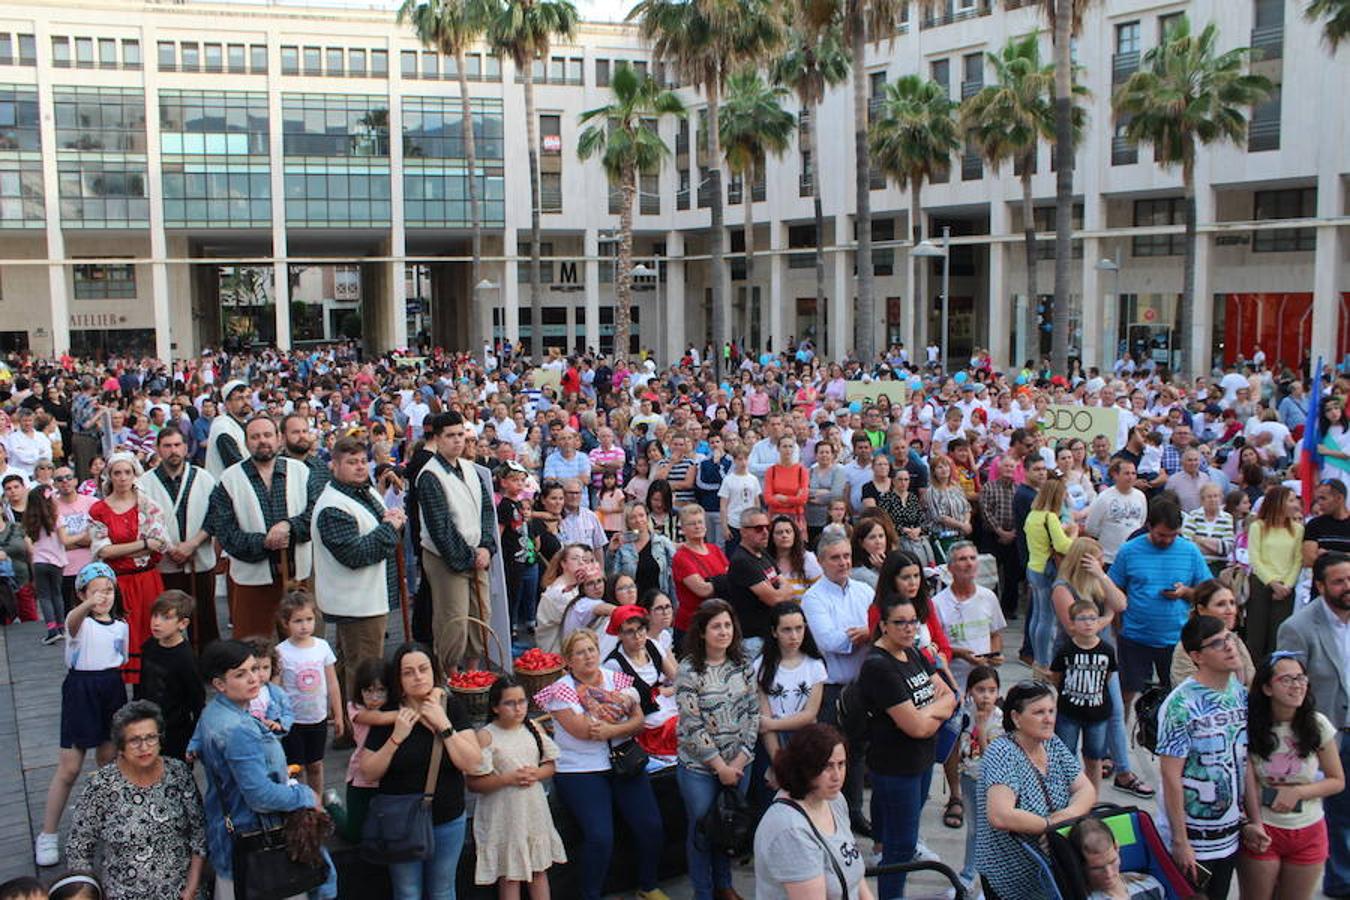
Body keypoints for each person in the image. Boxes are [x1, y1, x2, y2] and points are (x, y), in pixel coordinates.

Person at [533, 629, 667, 900]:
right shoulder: (561, 690)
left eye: (591, 650)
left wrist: (611, 729)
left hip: (623, 762)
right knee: (600, 836)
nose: (588, 656)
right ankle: (590, 895)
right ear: (568, 660)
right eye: (580, 652)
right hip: (580, 770)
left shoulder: (614, 678)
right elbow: (584, 731)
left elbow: (639, 720)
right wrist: (621, 722)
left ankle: (648, 885)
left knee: (651, 825)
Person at [195, 638, 335, 900]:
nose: (253, 678)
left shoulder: (213, 714)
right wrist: (305, 796)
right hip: (257, 844)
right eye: (241, 674)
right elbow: (260, 796)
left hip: (233, 840)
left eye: (254, 669)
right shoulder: (238, 730)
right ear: (219, 684)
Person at [359, 642, 483, 900]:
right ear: (399, 679)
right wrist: (396, 738)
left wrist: (444, 725)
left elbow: (472, 763)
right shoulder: (389, 714)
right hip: (401, 820)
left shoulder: (450, 707)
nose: (417, 677)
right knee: (407, 892)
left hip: (447, 816)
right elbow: (368, 771)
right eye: (408, 672)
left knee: (442, 889)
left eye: (423, 669)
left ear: (433, 672)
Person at [860, 592, 958, 898]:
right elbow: (915, 727)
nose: (908, 628)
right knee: (899, 846)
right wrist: (932, 714)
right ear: (883, 626)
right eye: (899, 623)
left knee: (907, 838)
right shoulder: (879, 665)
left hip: (922, 760)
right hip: (896, 767)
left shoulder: (913, 653)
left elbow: (950, 695)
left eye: (913, 621)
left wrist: (927, 714)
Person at [34, 562, 128, 868]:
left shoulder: (121, 626)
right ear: (82, 594)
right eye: (96, 590)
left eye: (109, 590)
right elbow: (73, 620)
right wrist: (87, 603)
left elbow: (121, 658)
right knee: (70, 766)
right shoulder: (79, 623)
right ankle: (48, 833)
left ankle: (109, 821)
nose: (103, 596)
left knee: (108, 760)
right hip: (80, 689)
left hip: (111, 687)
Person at [65, 699, 206, 900]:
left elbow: (199, 834)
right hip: (125, 894)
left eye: (151, 737)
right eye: (134, 740)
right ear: (120, 746)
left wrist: (191, 888)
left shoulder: (178, 773)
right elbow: (78, 848)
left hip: (182, 892)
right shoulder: (102, 785)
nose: (144, 746)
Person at [311, 435, 404, 735]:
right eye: (351, 462)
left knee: (351, 662)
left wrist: (389, 522)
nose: (359, 467)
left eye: (363, 461)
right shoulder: (333, 506)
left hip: (366, 596)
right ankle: (360, 729)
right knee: (363, 668)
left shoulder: (361, 492)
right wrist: (390, 527)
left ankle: (347, 724)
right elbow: (357, 554)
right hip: (357, 601)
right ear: (334, 465)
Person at [976, 680, 1097, 900]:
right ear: (1015, 717)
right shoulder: (1002, 752)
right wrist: (1049, 827)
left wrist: (1064, 818)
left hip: (1054, 870)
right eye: (1039, 712)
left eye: (1051, 711)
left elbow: (1086, 789)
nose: (1049, 719)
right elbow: (1001, 815)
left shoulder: (1051, 743)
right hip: (1011, 877)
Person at [1239, 653, 1346, 900]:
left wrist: (1298, 792)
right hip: (1264, 828)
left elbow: (1337, 780)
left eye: (1300, 678)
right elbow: (1249, 782)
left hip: (1309, 828)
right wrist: (1252, 823)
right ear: (1267, 687)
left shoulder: (1317, 724)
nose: (1296, 685)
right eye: (1286, 679)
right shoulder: (1250, 726)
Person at [1156, 614, 1249, 898]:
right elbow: (1171, 777)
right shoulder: (1181, 704)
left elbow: (1246, 762)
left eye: (1229, 638)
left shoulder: (1239, 692)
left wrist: (1252, 820)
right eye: (1218, 643)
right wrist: (1181, 841)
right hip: (1195, 836)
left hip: (1231, 832)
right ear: (1197, 656)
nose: (1230, 646)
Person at [207, 415, 321, 640]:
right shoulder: (230, 479)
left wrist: (289, 526)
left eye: (268, 435)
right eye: (255, 437)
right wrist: (265, 541)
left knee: (301, 647)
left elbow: (315, 515)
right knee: (254, 647)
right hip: (253, 581)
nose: (262, 441)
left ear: (279, 439)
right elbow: (226, 532)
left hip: (297, 577)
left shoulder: (300, 471)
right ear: (246, 442)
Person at [1276, 552, 1350, 898]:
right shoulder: (1297, 628)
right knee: (1336, 813)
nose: (1347, 587)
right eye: (1338, 581)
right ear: (1320, 586)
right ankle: (1340, 882)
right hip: (1327, 733)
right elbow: (1290, 688)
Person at [675, 599, 759, 900]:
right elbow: (692, 723)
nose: (723, 632)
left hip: (740, 761)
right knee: (702, 829)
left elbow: (753, 712)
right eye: (716, 627)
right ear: (702, 632)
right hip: (699, 766)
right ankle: (703, 890)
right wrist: (719, 767)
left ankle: (725, 884)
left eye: (727, 625)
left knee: (728, 824)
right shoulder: (688, 670)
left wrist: (739, 759)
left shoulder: (742, 664)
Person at [800, 527, 873, 834]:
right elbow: (830, 640)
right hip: (832, 688)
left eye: (846, 556)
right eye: (835, 558)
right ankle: (830, 819)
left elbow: (880, 630)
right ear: (821, 561)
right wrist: (866, 634)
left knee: (856, 755)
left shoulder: (865, 591)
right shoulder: (813, 598)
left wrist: (867, 634)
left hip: (863, 685)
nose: (843, 563)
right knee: (832, 757)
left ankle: (854, 811)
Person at [467, 677, 566, 900]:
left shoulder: (533, 727)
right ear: (495, 707)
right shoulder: (486, 736)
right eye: (510, 703)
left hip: (532, 810)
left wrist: (537, 774)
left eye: (521, 702)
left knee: (538, 869)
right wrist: (506, 779)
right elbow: (473, 783)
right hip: (503, 814)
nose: (518, 708)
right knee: (510, 874)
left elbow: (550, 764)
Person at [1108, 498, 1212, 710]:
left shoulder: (1190, 551)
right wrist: (1115, 625)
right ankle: (1122, 740)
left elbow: (1208, 593)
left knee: (1178, 696)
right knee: (1126, 694)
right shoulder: (1129, 550)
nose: (1168, 540)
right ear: (1149, 527)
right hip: (1134, 637)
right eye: (1162, 535)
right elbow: (1112, 587)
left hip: (1176, 639)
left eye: (1173, 535)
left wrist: (1185, 593)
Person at [414, 412, 497, 674]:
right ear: (437, 439)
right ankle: (449, 676)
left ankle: (472, 673)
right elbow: (441, 528)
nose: (457, 441)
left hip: (476, 553)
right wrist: (468, 556)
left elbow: (486, 510)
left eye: (461, 434)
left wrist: (485, 546)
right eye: (450, 436)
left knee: (480, 616)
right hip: (445, 558)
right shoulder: (430, 475)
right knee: (454, 619)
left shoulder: (470, 469)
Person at [752, 723, 873, 900]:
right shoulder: (790, 830)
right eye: (827, 767)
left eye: (841, 764)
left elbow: (852, 868)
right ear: (804, 768)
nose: (837, 776)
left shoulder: (834, 800)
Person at [137, 426, 219, 651]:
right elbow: (143, 521)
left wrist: (193, 543)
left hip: (199, 559)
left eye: (177, 445)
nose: (173, 451)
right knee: (168, 619)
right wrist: (170, 548)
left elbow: (215, 515)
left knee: (204, 618)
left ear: (185, 448)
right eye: (167, 446)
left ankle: (207, 667)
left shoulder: (203, 478)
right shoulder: (145, 483)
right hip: (165, 563)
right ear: (158, 449)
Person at [89, 452, 168, 684]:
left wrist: (120, 548)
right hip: (118, 582)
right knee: (121, 633)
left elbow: (159, 543)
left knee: (152, 630)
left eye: (127, 472)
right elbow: (102, 551)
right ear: (109, 476)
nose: (122, 477)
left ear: (135, 474)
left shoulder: (148, 505)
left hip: (147, 581)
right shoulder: (99, 510)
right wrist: (142, 544)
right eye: (117, 473)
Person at [275, 590, 342, 796]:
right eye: (298, 621)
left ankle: (317, 803)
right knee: (296, 767)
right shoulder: (281, 651)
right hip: (293, 721)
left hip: (318, 718)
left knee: (316, 764)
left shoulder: (322, 647)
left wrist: (338, 714)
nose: (304, 625)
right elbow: (276, 687)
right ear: (286, 623)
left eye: (309, 619)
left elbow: (332, 682)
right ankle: (298, 803)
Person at [324, 658, 394, 843]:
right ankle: (332, 805)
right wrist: (409, 712)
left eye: (381, 690)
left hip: (387, 774)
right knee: (354, 833)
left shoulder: (393, 707)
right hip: (360, 778)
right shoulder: (355, 708)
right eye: (368, 691)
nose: (374, 697)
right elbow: (377, 719)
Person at [1049, 600, 1117, 787]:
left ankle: (1092, 797)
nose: (1088, 623)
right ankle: (1070, 794)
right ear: (1071, 623)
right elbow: (1056, 676)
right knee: (1066, 756)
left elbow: (1108, 676)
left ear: (1098, 622)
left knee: (1094, 757)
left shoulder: (1107, 650)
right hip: (1068, 712)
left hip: (1097, 712)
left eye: (1092, 618)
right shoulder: (1066, 650)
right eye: (1082, 619)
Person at [133, 590, 205, 760]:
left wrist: (196, 739)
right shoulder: (149, 646)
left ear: (182, 623)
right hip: (147, 725)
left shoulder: (186, 658)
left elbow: (197, 701)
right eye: (155, 616)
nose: (156, 623)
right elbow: (141, 685)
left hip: (175, 731)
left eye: (166, 618)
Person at [603, 604, 679, 755]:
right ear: (619, 634)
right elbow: (621, 708)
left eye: (640, 629)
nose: (637, 636)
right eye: (630, 632)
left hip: (668, 706)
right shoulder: (615, 665)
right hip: (648, 721)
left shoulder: (652, 646)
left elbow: (676, 678)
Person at [724, 508, 794, 659]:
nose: (765, 532)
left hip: (768, 635)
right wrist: (778, 591)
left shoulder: (763, 554)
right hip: (752, 640)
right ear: (743, 531)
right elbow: (774, 599)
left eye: (767, 527)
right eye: (758, 528)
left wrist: (777, 592)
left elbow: (789, 589)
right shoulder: (742, 561)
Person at [956, 665, 1002, 894]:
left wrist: (982, 727)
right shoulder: (965, 712)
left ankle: (987, 881)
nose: (986, 696)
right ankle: (967, 875)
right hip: (969, 777)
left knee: (989, 831)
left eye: (991, 690)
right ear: (969, 692)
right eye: (980, 689)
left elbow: (992, 756)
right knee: (974, 829)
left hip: (991, 783)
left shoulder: (1000, 719)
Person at [1246, 484, 1305, 661]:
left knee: (1278, 637)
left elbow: (1297, 560)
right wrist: (1272, 582)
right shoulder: (1258, 527)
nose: (1295, 505)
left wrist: (1287, 585)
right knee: (1256, 635)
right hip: (1261, 584)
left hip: (1286, 588)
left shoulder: (1298, 529)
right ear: (1279, 502)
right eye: (1291, 500)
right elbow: (1255, 559)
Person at [1024, 475, 1077, 669]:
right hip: (1047, 570)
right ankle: (1044, 660)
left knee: (1037, 616)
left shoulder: (1033, 515)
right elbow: (1063, 546)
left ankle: (1038, 658)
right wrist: (1073, 534)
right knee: (1047, 618)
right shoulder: (1050, 517)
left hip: (1034, 566)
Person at [1170, 579, 1255, 687]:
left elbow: (1252, 682)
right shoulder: (1187, 648)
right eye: (1221, 604)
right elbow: (1191, 692)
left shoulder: (1235, 640)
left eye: (1232, 603)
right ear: (1201, 609)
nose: (1230, 610)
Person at [671, 504, 729, 646]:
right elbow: (703, 590)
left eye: (700, 522)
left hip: (717, 621)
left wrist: (712, 581)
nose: (697, 526)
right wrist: (722, 581)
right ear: (683, 529)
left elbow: (731, 578)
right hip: (692, 626)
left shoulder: (714, 549)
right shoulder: (681, 557)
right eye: (692, 523)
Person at [1069, 817, 1165, 900]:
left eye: (1112, 861)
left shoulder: (1149, 885)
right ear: (1079, 864)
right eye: (1097, 868)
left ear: (1116, 847)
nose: (1109, 874)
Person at [23, 484, 70, 644]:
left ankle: (51, 629)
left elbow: (29, 542)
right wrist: (84, 536)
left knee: (44, 596)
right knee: (57, 594)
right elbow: (64, 540)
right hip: (57, 561)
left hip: (39, 562)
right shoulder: (57, 516)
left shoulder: (29, 519)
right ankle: (61, 627)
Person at [606, 501, 677, 600]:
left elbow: (674, 575)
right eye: (632, 517)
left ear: (647, 518)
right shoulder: (622, 548)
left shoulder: (663, 543)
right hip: (633, 603)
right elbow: (612, 578)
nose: (638, 520)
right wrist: (611, 552)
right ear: (628, 522)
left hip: (659, 601)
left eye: (641, 515)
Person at [1085, 459, 1147, 563]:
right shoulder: (1104, 498)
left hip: (1133, 558)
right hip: (1109, 559)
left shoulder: (1140, 496)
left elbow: (1141, 522)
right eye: (1126, 473)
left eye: (1133, 473)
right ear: (1115, 475)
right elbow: (1091, 527)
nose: (1131, 477)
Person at [1182, 482, 1236, 575]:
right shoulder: (1193, 515)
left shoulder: (1227, 518)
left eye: (1216, 496)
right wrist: (1215, 547)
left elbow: (1227, 548)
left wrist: (1201, 540)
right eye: (1209, 497)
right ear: (1202, 500)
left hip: (1219, 565)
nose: (1213, 500)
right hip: (1196, 563)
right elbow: (1187, 544)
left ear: (1221, 498)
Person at [769, 515, 821, 602]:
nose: (784, 535)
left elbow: (820, 589)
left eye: (788, 531)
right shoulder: (765, 560)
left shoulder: (808, 558)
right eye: (779, 532)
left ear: (795, 535)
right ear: (772, 537)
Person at [204, 379, 250, 478]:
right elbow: (235, 466)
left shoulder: (244, 423)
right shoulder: (223, 427)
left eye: (247, 397)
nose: (246, 402)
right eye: (239, 398)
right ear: (227, 404)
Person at [805, 440, 847, 546]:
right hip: (811, 518)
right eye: (821, 452)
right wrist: (824, 491)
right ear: (816, 455)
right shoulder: (810, 471)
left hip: (829, 519)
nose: (824, 455)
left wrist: (815, 496)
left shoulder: (838, 471)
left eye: (827, 452)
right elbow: (804, 492)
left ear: (832, 455)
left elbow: (836, 495)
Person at [765, 434, 809, 531]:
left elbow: (803, 499)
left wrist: (782, 498)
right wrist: (794, 500)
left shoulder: (802, 471)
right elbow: (768, 499)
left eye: (790, 446)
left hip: (796, 517)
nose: (787, 450)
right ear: (778, 448)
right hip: (775, 517)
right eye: (784, 446)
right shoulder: (771, 471)